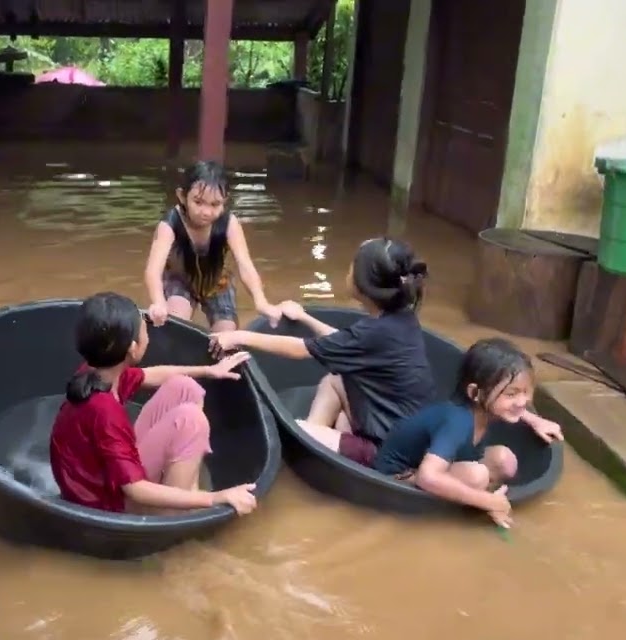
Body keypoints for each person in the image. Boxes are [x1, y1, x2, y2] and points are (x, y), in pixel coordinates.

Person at [208, 238, 435, 466]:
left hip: (389, 451)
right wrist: (304, 317)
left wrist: (239, 336)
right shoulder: (400, 319)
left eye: (353, 265)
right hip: (404, 432)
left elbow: (299, 349)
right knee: (335, 379)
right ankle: (317, 437)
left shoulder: (375, 332)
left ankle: (314, 441)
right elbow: (343, 342)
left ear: (363, 285)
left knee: (292, 430)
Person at [49, 292, 260, 516]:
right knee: (191, 421)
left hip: (100, 478)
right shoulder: (104, 411)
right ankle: (173, 516)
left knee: (183, 387)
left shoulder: (99, 370)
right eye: (144, 329)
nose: (148, 333)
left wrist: (209, 371)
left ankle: (185, 488)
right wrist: (215, 498)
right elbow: (135, 489)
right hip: (105, 503)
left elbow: (151, 374)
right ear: (133, 348)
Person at [371, 338, 564, 529]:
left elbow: (508, 406)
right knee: (476, 476)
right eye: (511, 394)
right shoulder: (457, 421)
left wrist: (535, 420)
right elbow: (427, 477)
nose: (522, 402)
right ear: (475, 393)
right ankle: (467, 504)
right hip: (397, 477)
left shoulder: (483, 408)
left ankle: (468, 498)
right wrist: (488, 501)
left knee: (505, 461)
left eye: (526, 392)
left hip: (438, 462)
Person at [144, 160, 282, 332]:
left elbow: (245, 265)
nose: (206, 212)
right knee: (175, 325)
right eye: (198, 202)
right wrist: (158, 302)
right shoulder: (170, 224)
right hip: (180, 281)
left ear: (225, 200)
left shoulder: (230, 223)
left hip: (217, 283)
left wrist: (261, 301)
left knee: (226, 337)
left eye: (215, 204)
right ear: (182, 196)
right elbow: (153, 271)